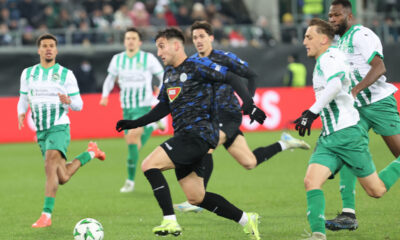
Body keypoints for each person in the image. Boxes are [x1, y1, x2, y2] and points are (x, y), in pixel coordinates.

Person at [116, 27, 265, 239]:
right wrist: (134, 123)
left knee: (149, 165)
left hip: (198, 135)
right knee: (196, 197)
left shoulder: (198, 65)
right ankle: (246, 219)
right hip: (186, 138)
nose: (159, 53)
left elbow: (232, 77)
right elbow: (163, 107)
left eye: (161, 47)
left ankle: (170, 220)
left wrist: (248, 103)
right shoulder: (169, 74)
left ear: (176, 46)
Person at [173, 20, 311, 213]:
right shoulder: (193, 62)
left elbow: (251, 75)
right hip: (209, 118)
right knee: (250, 162)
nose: (198, 40)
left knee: (207, 147)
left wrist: (249, 102)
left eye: (202, 36)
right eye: (195, 37)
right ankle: (284, 143)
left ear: (211, 37)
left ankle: (198, 198)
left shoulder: (224, 58)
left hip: (228, 115)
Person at [296, 18, 400, 240]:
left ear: (323, 39)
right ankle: (318, 235)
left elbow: (335, 83)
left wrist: (311, 112)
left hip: (347, 136)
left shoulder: (330, 58)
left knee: (376, 191)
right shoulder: (329, 57)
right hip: (329, 137)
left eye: (309, 37)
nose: (304, 41)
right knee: (311, 181)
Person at [325, 0, 400, 231]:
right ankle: (348, 214)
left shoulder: (361, 35)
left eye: (336, 15)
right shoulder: (339, 43)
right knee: (350, 150)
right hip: (356, 109)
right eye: (330, 16)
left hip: (378, 104)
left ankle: (379, 185)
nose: (332, 19)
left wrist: (356, 90)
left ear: (349, 17)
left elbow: (379, 67)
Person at [17, 33, 106, 228]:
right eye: (45, 45)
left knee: (49, 164)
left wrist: (69, 101)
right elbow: (24, 97)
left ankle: (46, 215)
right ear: (39, 50)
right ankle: (90, 153)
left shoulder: (66, 74)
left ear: (56, 50)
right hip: (41, 130)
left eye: (52, 46)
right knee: (62, 177)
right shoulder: (28, 73)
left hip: (59, 125)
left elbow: (79, 105)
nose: (48, 48)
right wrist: (21, 113)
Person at [100, 27, 165, 193]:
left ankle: (129, 181)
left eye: (133, 38)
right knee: (133, 147)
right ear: (124, 41)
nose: (130, 41)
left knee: (132, 142)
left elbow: (162, 75)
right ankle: (152, 126)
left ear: (139, 42)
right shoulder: (117, 59)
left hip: (142, 106)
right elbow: (110, 79)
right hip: (126, 107)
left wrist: (163, 90)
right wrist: (105, 95)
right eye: (128, 38)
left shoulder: (147, 58)